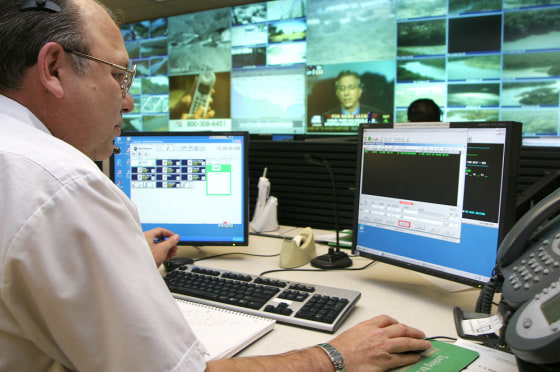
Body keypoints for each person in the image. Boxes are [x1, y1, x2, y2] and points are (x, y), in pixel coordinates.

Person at [0, 1, 431, 371]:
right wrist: (335, 356)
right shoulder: (61, 182)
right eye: (118, 75)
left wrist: (118, 262)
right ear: (53, 68)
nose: (127, 100)